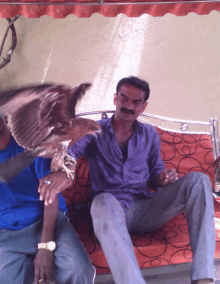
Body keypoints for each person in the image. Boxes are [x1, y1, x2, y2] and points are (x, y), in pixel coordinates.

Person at [39, 76, 215, 284]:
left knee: (199, 180)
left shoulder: (149, 134)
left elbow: (156, 173)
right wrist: (65, 168)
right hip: (111, 212)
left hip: (145, 208)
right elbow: (72, 152)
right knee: (102, 201)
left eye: (136, 102)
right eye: (124, 99)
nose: (128, 106)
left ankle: (203, 278)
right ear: (115, 99)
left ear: (143, 106)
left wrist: (164, 177)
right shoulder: (95, 130)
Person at [0, 114, 95, 284]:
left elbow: (51, 196)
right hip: (6, 230)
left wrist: (45, 246)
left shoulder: (31, 145)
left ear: (6, 119)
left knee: (80, 269)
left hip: (48, 219)